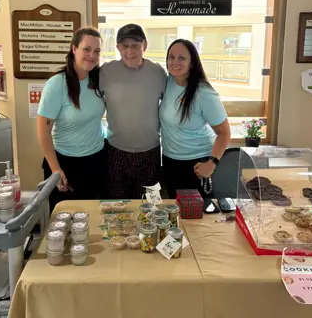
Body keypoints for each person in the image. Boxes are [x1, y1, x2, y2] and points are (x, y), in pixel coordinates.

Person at [37, 27, 107, 212]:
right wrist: (55, 169)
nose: (92, 55)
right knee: (65, 224)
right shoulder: (57, 84)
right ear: (74, 49)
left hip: (96, 161)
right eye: (87, 49)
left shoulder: (98, 80)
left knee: (94, 220)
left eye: (97, 51)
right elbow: (43, 132)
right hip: (65, 164)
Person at [100, 23, 167, 199]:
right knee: (117, 205)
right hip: (116, 151)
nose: (130, 51)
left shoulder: (158, 73)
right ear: (117, 48)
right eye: (125, 46)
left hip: (150, 152)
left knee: (151, 205)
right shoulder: (105, 71)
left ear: (144, 45)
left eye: (135, 45)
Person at [159, 39, 231, 199]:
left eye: (182, 58)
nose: (175, 62)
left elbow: (224, 133)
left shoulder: (204, 93)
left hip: (196, 165)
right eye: (171, 57)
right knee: (174, 213)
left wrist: (212, 163)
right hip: (170, 161)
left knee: (197, 218)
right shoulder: (167, 82)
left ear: (192, 63)